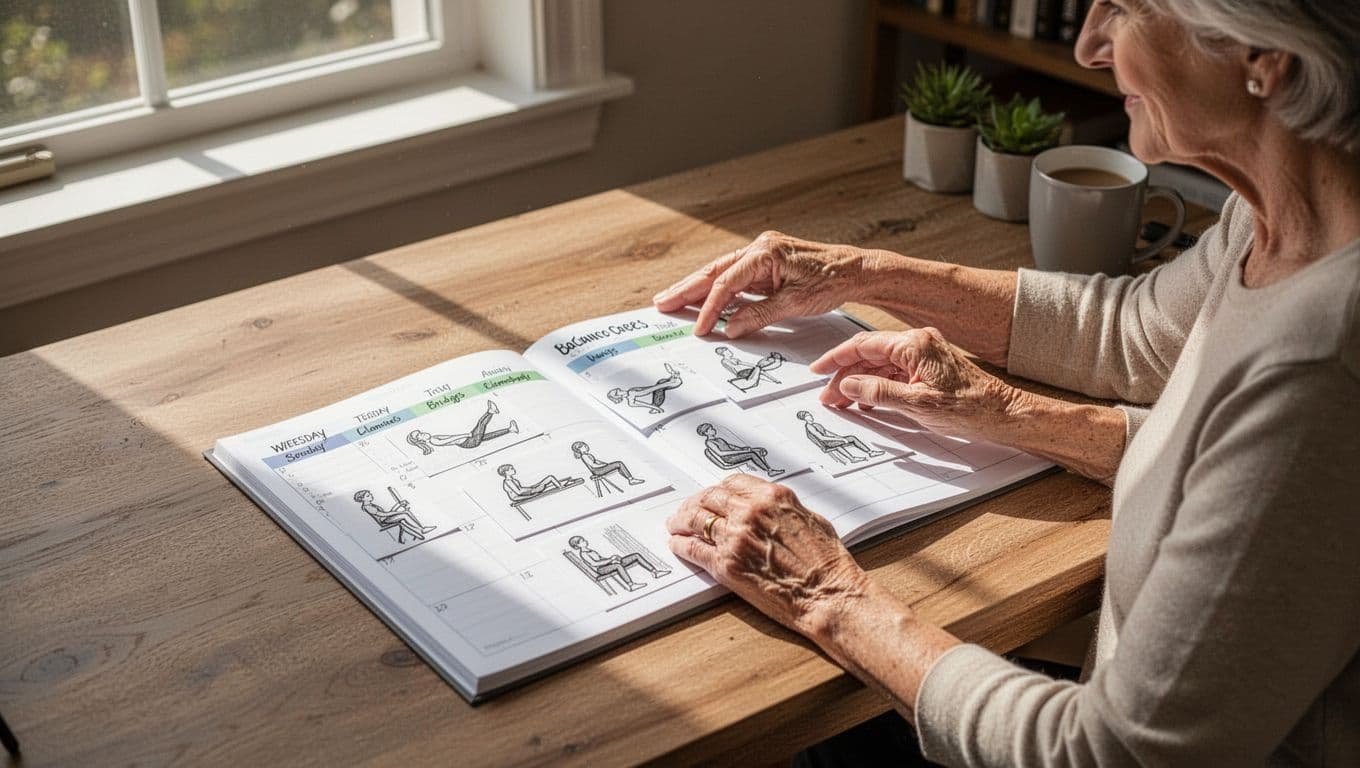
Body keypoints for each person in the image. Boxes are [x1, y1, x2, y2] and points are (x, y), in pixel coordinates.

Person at [656, 1, 1360, 764]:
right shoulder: (1285, 221)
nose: (1090, 45)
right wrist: (864, 277)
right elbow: (1134, 333)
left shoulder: (1321, 366)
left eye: (1121, 8)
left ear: (1267, 56)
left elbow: (1109, 754)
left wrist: (828, 595)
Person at [405, 400, 517, 455]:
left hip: (468, 441)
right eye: (419, 435)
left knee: (487, 436)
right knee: (481, 424)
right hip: (469, 442)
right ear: (420, 440)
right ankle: (490, 411)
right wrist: (464, 435)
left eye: (420, 432)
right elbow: (450, 440)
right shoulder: (433, 441)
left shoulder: (433, 438)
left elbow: (449, 436)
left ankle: (510, 430)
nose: (422, 433)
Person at [567, 535, 670, 592]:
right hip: (601, 570)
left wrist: (612, 559)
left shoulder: (590, 550)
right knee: (618, 565)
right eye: (581, 541)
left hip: (607, 565)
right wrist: (611, 560)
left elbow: (601, 558)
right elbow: (594, 564)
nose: (584, 541)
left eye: (583, 539)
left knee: (636, 555)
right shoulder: (583, 553)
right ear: (577, 546)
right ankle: (631, 585)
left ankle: (655, 571)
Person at [697, 423, 785, 477]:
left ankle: (767, 469)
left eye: (712, 428)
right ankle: (769, 471)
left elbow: (731, 446)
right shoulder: (709, 442)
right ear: (706, 433)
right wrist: (743, 451)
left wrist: (743, 449)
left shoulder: (719, 439)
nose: (713, 430)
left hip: (735, 454)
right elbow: (721, 453)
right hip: (729, 458)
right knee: (752, 454)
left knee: (758, 450)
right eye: (710, 429)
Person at [797, 410, 884, 465]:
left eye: (810, 414)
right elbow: (822, 438)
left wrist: (839, 437)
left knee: (848, 438)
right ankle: (868, 453)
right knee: (852, 438)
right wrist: (840, 439)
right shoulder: (809, 427)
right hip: (826, 443)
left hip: (831, 441)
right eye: (808, 415)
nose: (811, 416)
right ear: (804, 418)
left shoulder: (816, 424)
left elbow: (827, 432)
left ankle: (857, 457)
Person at [352, 489, 434, 543]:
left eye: (370, 494)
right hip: (384, 521)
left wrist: (399, 505)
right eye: (368, 495)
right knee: (405, 515)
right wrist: (397, 512)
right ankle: (421, 529)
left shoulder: (370, 504)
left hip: (387, 518)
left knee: (403, 516)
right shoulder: (368, 507)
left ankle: (418, 532)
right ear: (362, 499)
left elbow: (388, 512)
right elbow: (383, 514)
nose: (371, 496)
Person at [607, 363, 684, 414]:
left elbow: (650, 390)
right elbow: (651, 391)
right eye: (617, 392)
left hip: (661, 386)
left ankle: (672, 376)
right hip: (661, 387)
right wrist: (668, 383)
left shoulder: (630, 396)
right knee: (660, 386)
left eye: (617, 390)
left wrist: (668, 381)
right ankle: (673, 376)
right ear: (619, 397)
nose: (619, 390)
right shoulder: (631, 395)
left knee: (660, 383)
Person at [571, 441, 646, 486]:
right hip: (597, 471)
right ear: (579, 449)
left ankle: (630, 479)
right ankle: (631, 479)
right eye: (583, 446)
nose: (585, 447)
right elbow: (593, 465)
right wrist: (605, 465)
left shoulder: (587, 455)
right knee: (619, 464)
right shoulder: (584, 456)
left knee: (617, 465)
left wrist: (606, 464)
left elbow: (596, 461)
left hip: (599, 469)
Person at [497, 463, 580, 503]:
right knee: (549, 479)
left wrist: (531, 488)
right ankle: (562, 485)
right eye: (511, 469)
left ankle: (565, 483)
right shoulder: (508, 482)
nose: (514, 469)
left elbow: (521, 490)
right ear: (506, 472)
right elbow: (518, 492)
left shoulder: (513, 480)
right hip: (523, 495)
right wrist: (532, 493)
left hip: (528, 491)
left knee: (548, 483)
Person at [715, 345, 783, 391]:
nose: (730, 352)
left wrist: (755, 366)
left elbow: (744, 363)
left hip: (745, 371)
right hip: (742, 373)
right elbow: (736, 366)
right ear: (724, 353)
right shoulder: (725, 360)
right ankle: (775, 379)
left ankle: (775, 379)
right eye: (728, 351)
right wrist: (756, 367)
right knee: (760, 369)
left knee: (760, 370)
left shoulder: (732, 359)